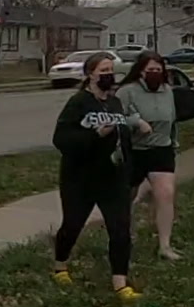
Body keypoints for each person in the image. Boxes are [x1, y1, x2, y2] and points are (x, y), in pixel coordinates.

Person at [46, 66, 145, 295]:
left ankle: (120, 284)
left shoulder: (115, 103)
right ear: (91, 74)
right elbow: (61, 139)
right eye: (104, 70)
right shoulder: (78, 103)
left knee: (120, 229)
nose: (109, 74)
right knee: (72, 225)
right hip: (80, 179)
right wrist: (95, 135)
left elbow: (123, 140)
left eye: (111, 69)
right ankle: (60, 265)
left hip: (114, 178)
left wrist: (129, 161)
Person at [118, 49, 194, 265]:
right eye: (150, 70)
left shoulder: (167, 91)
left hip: (162, 149)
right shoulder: (127, 92)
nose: (155, 73)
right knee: (127, 198)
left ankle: (165, 246)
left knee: (166, 194)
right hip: (135, 151)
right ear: (140, 71)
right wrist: (136, 122)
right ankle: (123, 239)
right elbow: (115, 118)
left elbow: (172, 119)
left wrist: (173, 143)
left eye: (158, 69)